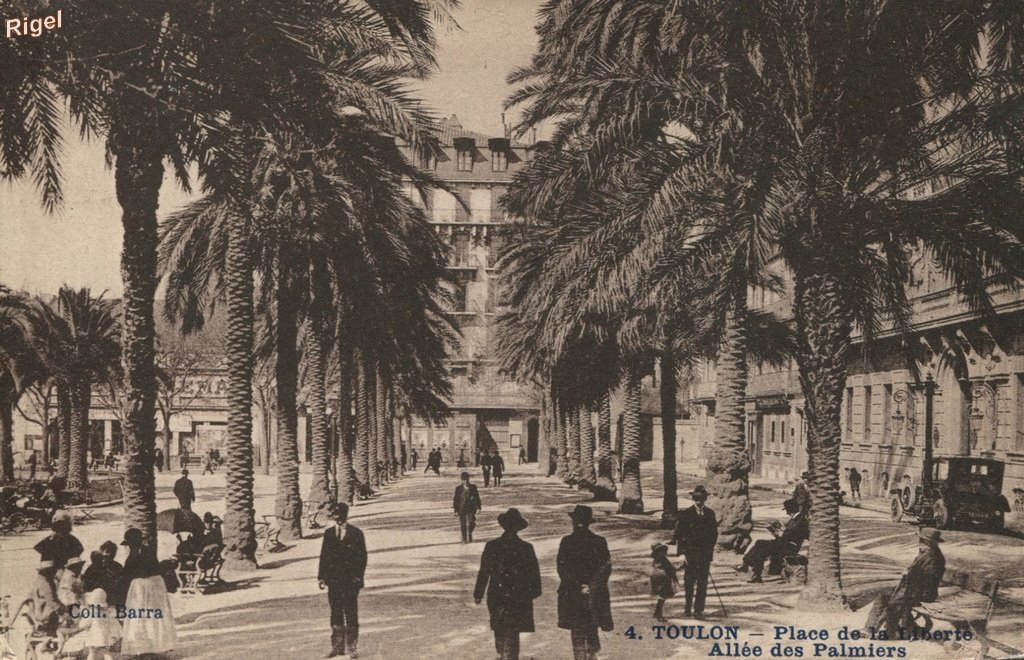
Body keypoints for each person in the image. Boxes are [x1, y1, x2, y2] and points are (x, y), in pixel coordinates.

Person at [474, 508, 542, 660]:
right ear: (518, 528)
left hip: (497, 594)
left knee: (499, 626)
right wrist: (534, 592)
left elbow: (484, 571)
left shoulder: (492, 546)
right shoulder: (526, 547)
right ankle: (510, 656)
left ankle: (501, 654)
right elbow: (534, 573)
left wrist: (478, 593)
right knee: (514, 630)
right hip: (519, 595)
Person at [557, 505, 613, 660]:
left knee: (577, 628)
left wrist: (578, 586)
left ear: (574, 521)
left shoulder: (567, 541)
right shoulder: (599, 541)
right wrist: (591, 586)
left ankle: (581, 656)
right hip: (594, 592)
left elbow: (562, 568)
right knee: (592, 623)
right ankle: (592, 654)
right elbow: (605, 568)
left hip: (572, 591)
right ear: (589, 522)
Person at [868, 528, 946, 635]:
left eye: (923, 541)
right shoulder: (926, 554)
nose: (920, 543)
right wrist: (909, 572)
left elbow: (928, 579)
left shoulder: (935, 558)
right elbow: (916, 570)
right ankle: (871, 628)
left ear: (930, 543)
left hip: (924, 593)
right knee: (885, 595)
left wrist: (909, 574)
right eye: (921, 540)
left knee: (893, 601)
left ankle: (890, 630)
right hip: (915, 589)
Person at [318, 502, 367, 659]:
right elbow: (324, 556)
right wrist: (321, 577)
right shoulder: (329, 533)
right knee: (336, 612)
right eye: (336, 517)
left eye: (340, 516)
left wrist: (358, 577)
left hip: (350, 581)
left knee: (351, 613)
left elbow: (362, 558)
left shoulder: (356, 533)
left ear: (346, 516)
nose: (338, 519)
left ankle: (352, 648)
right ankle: (337, 647)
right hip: (334, 581)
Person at [119, 528, 177, 656]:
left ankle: (148, 649)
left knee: (144, 615)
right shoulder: (144, 551)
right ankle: (148, 647)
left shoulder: (138, 553)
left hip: (145, 586)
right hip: (153, 584)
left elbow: (131, 572)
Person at [732, 499, 809, 582]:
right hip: (785, 543)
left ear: (790, 509)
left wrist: (779, 533)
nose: (786, 512)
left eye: (787, 510)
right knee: (760, 546)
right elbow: (789, 533)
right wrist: (779, 532)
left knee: (761, 545)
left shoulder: (799, 520)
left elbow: (790, 534)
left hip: (789, 546)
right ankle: (751, 570)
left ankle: (749, 567)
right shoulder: (796, 519)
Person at [673, 485, 717, 618]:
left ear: (705, 499)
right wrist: (681, 554)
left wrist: (709, 551)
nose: (699, 501)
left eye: (701, 498)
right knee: (689, 583)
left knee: (702, 584)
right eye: (696, 498)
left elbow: (713, 535)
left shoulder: (710, 514)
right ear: (693, 499)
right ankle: (687, 607)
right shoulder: (685, 514)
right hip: (690, 554)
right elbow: (679, 535)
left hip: (704, 555)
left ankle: (699, 610)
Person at [75, 588, 122, 660]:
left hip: (94, 636)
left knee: (92, 653)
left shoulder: (92, 612)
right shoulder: (106, 612)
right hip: (105, 636)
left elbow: (85, 623)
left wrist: (81, 623)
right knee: (106, 652)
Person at [83, 542, 125, 608]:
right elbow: (86, 584)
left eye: (111, 553)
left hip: (112, 601)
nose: (108, 555)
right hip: (97, 600)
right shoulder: (93, 567)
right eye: (106, 553)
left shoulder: (118, 567)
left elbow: (121, 585)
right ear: (101, 552)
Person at [650, 542, 680, 622]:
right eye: (662, 551)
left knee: (661, 597)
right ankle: (659, 614)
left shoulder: (656, 560)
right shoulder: (663, 560)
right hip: (663, 580)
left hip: (658, 579)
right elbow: (672, 569)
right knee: (662, 597)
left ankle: (657, 613)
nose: (664, 553)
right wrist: (681, 567)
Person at [453, 471, 482, 543]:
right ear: (462, 480)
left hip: (471, 508)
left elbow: (477, 498)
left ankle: (470, 532)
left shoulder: (473, 487)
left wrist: (479, 507)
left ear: (469, 479)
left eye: (466, 479)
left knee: (472, 522)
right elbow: (456, 500)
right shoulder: (458, 489)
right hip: (462, 508)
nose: (465, 481)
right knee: (463, 524)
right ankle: (464, 538)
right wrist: (456, 510)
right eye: (464, 480)